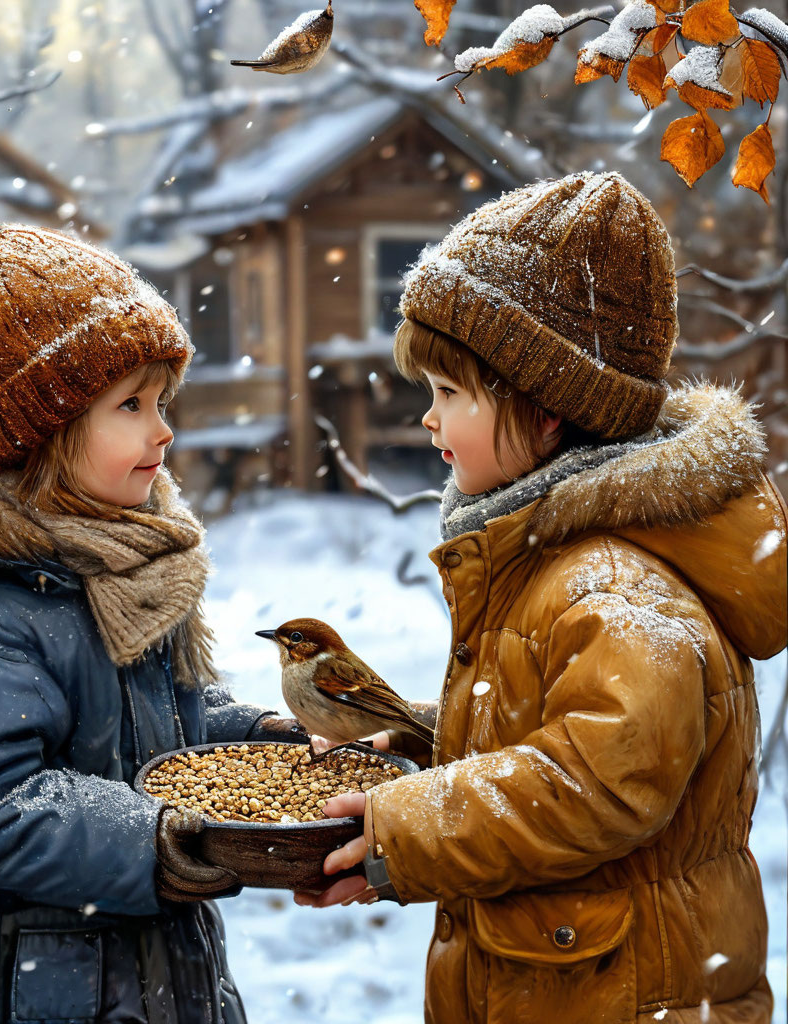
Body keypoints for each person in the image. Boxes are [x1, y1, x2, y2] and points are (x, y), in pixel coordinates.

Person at [297, 171, 787, 1024]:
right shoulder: (550, 560)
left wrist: (406, 826)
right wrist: (423, 748)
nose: (427, 420)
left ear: (548, 412)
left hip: (625, 999)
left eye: (449, 395)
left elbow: (597, 783)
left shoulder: (616, 585)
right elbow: (541, 733)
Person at [0, 154, 303, 1024]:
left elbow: (151, 739)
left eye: (164, 399)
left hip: (149, 985)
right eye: (132, 405)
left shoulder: (121, 566)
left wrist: (266, 741)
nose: (165, 429)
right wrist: (151, 842)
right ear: (38, 432)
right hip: (16, 995)